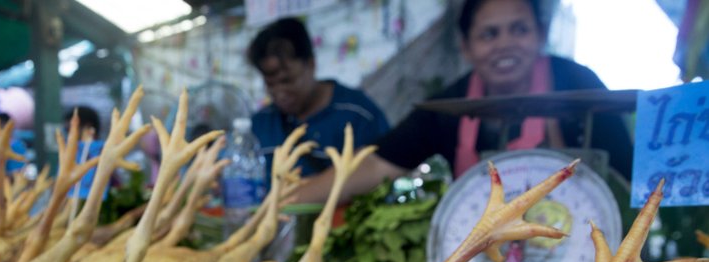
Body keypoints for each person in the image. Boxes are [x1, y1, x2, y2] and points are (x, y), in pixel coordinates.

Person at [297, 0, 634, 203]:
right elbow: (377, 164)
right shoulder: (450, 106)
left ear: (540, 35)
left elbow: (628, 175)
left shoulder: (576, 83)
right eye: (489, 34)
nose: (505, 44)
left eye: (519, 29)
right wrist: (284, 201)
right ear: (467, 47)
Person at [248, 17, 390, 180]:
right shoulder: (259, 125)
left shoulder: (358, 116)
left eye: (287, 81)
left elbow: (384, 175)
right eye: (270, 84)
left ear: (311, 64)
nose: (280, 92)